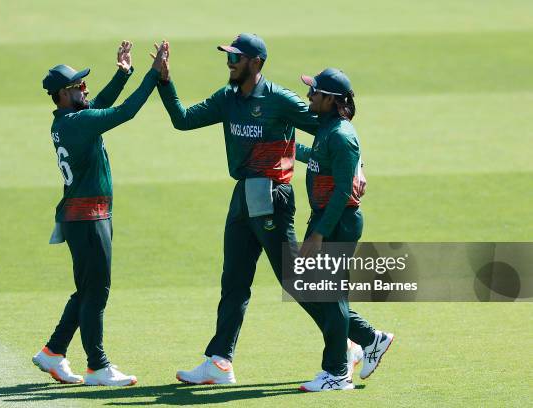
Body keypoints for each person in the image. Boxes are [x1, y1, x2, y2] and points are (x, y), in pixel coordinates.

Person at [156, 33, 358, 386]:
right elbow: (182, 119)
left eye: (237, 57)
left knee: (295, 280)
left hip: (272, 198)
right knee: (233, 281)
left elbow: (332, 131)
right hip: (243, 196)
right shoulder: (227, 99)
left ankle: (348, 346)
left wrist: (356, 168)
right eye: (229, 57)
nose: (230, 63)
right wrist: (164, 81)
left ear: (256, 63)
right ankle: (219, 362)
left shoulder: (279, 99)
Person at [32, 40, 167, 386]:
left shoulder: (68, 121)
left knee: (87, 290)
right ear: (63, 94)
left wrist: (123, 74)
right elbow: (123, 113)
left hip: (82, 217)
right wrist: (154, 77)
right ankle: (98, 366)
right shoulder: (79, 123)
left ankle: (53, 352)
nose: (84, 88)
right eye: (78, 86)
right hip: (88, 218)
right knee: (97, 291)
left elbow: (100, 107)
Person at [295, 68, 394, 391]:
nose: (309, 96)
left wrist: (320, 232)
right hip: (329, 220)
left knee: (330, 294)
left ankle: (336, 373)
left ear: (330, 100)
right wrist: (290, 149)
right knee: (315, 289)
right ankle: (369, 339)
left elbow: (341, 192)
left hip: (338, 222)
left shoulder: (340, 135)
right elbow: (320, 161)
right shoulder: (328, 128)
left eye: (315, 92)